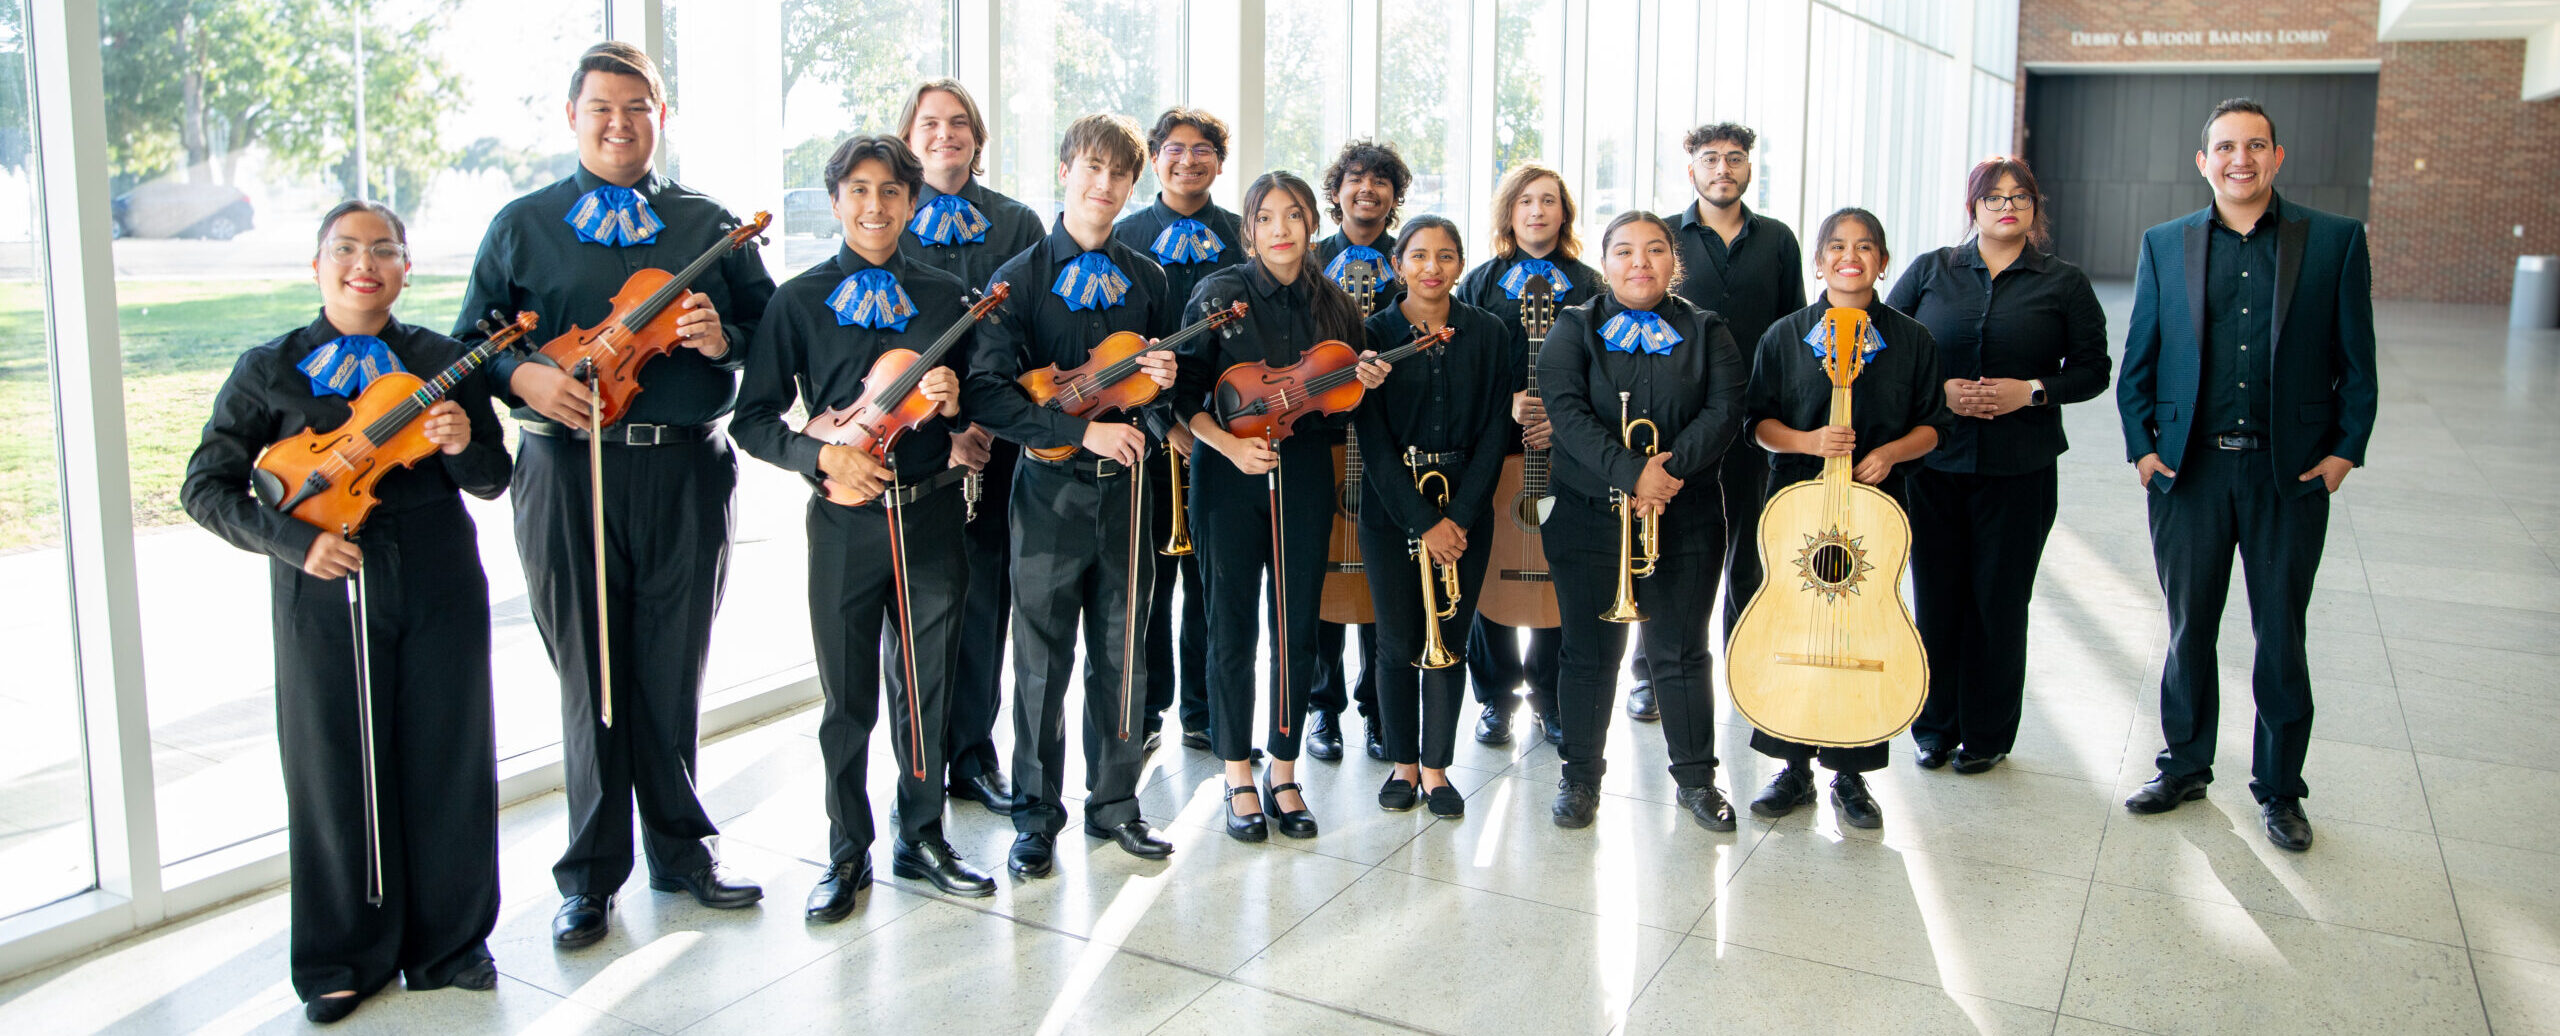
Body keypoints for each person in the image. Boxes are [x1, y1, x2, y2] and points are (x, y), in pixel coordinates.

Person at [455, 41, 772, 949]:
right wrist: (524, 381)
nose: (620, 123)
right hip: (564, 469)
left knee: (673, 662)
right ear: (572, 117)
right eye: (602, 108)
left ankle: (681, 851)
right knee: (588, 673)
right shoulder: (524, 224)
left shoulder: (709, 224)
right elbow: (472, 342)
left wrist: (724, 342)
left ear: (660, 115)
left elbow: (766, 331)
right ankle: (590, 876)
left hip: (684, 467)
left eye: (637, 106)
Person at [182, 201, 507, 1024]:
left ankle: (451, 944)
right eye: (346, 249)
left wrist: (464, 439)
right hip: (322, 582)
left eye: (385, 250)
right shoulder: (271, 367)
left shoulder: (442, 359)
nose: (365, 264)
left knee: (447, 751)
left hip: (436, 572)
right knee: (333, 767)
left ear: (405, 268)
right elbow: (205, 486)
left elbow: (493, 478)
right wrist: (293, 544)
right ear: (317, 265)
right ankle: (339, 955)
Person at [734, 134, 994, 914]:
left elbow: (985, 404)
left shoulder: (950, 295)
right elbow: (751, 421)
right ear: (837, 199)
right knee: (847, 698)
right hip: (845, 523)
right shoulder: (798, 298)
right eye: (858, 190)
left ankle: (922, 836)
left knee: (928, 689)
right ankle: (847, 853)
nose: (875, 206)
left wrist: (957, 408)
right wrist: (819, 458)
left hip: (930, 515)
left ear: (913, 202)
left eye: (890, 191)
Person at [2117, 98, 2376, 853]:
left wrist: (2341, 455)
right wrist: (2142, 450)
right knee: (2189, 629)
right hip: (2188, 475)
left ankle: (2280, 789)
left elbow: (2357, 364)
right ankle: (2186, 765)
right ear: (2204, 162)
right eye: (2225, 147)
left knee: (2280, 637)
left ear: (2277, 157)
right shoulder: (2164, 243)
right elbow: (2140, 357)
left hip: (2287, 477)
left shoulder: (2332, 242)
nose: (2240, 158)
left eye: (2255, 146)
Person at [966, 114, 1183, 877]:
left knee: (1123, 657)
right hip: (1050, 489)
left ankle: (1116, 804)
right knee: (1040, 661)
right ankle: (1034, 814)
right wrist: (1076, 430)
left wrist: (1159, 399)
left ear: (1134, 183)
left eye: (1120, 175)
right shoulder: (1017, 279)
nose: (1105, 185)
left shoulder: (1151, 280)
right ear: (1066, 169)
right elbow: (988, 393)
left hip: (1128, 490)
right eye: (1093, 168)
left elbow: (1159, 403)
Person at [1175, 171, 1388, 841]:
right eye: (1266, 217)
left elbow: (1346, 401)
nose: (1281, 229)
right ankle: (1238, 772)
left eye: (1293, 215)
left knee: (1297, 627)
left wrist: (1368, 379)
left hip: (1302, 474)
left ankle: (1284, 769)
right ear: (1249, 229)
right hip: (1228, 477)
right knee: (1230, 625)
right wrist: (1230, 450)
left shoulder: (1334, 305)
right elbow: (1182, 397)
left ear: (1311, 224)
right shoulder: (1219, 294)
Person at [1887, 156, 2112, 775]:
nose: (2006, 206)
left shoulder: (2063, 283)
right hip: (1935, 467)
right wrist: (1942, 391)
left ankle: (1986, 734)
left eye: (2020, 197)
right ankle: (1935, 727)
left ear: (2035, 209)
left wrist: (2032, 390)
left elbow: (2095, 369)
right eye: (1993, 197)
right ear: (1973, 208)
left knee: (1999, 601)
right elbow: (1886, 345)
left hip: (2021, 469)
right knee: (1937, 598)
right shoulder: (1932, 271)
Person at [1740, 208, 1951, 830]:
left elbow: (1935, 427)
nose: (1849, 256)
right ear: (1818, 260)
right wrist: (1809, 443)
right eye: (1836, 246)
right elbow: (1758, 424)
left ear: (1884, 261)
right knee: (1794, 623)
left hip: (1875, 516)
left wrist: (1888, 453)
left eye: (1865, 247)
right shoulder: (1785, 335)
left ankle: (1851, 776)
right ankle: (1792, 768)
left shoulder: (1913, 340)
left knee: (1863, 626)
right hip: (1795, 511)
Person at [1538, 210, 1748, 832]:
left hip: (1685, 517)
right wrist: (1633, 474)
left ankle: (1696, 781)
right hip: (1585, 519)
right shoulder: (1572, 329)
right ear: (1605, 264)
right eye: (1625, 251)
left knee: (1681, 653)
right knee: (1586, 653)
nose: (1640, 262)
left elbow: (1725, 408)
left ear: (1673, 262)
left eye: (1655, 250)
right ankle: (1580, 778)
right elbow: (1567, 414)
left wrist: (1666, 472)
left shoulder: (1710, 331)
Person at [897, 78, 1046, 816]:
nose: (944, 135)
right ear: (909, 134)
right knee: (917, 609)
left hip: (994, 442)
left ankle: (973, 755)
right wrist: (944, 429)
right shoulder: (887, 214)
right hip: (908, 443)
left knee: (986, 599)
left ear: (977, 139)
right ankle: (914, 766)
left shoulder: (1017, 224)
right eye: (930, 123)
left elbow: (1026, 332)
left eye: (959, 124)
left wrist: (980, 423)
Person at [1635, 122, 1807, 724]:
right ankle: (1650, 673)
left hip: (1759, 418)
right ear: (1692, 171)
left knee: (1752, 543)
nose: (1723, 169)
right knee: (1663, 543)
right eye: (1711, 159)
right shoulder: (1662, 239)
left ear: (1749, 169)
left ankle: (1742, 659)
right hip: (1682, 419)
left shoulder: (1779, 241)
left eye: (1735, 159)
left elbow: (1796, 331)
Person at [1353, 215, 1513, 816]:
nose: (1432, 268)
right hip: (1394, 508)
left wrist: (1462, 518)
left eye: (1446, 256)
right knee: (1396, 642)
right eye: (1418, 256)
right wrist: (1423, 521)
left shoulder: (1491, 332)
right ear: (1398, 265)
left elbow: (1498, 430)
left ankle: (1439, 770)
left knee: (1448, 637)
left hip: (1466, 503)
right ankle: (1402, 765)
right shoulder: (1373, 333)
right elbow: (1370, 439)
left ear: (1460, 265)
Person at [1453, 161, 1600, 748]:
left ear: (1564, 213)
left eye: (1548, 201)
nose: (1537, 211)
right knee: (1492, 567)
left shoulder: (1591, 284)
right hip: (1493, 442)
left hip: (1566, 449)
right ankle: (1493, 697)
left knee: (1555, 570)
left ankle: (1550, 694)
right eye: (1525, 202)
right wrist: (1505, 404)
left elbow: (1607, 367)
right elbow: (1462, 363)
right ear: (1508, 213)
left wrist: (1562, 422)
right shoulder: (1481, 283)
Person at [1113, 107, 1242, 754]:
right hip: (1149, 433)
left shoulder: (1243, 233)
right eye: (1174, 149)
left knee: (1213, 582)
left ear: (1220, 160)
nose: (1188, 160)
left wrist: (1213, 425)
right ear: (1155, 157)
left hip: (1225, 432)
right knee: (1152, 583)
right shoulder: (1126, 235)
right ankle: (1151, 709)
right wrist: (1166, 423)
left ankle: (1203, 708)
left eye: (1203, 150)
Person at [1305, 138, 1413, 761]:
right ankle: (1323, 710)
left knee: (1379, 580)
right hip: (1322, 435)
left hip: (1387, 438)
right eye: (1355, 179)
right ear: (1337, 190)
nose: (1367, 190)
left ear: (1394, 197)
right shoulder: (1312, 260)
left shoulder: (1409, 261)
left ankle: (1377, 707)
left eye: (1380, 181)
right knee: (1322, 575)